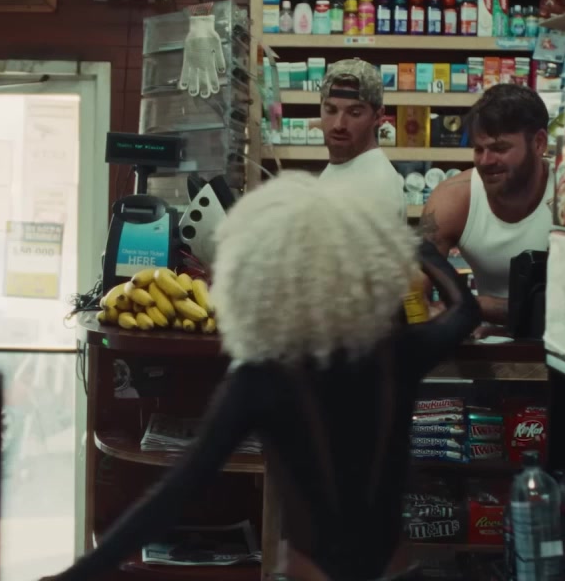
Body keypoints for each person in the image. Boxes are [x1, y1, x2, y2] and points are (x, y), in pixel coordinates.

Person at [43, 172, 481, 581]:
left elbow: (175, 493)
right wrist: (420, 251)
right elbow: (465, 311)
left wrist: (80, 573)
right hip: (395, 571)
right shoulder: (397, 352)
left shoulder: (262, 379)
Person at [418, 84, 552, 327]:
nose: (486, 161)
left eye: (500, 148)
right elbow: (413, 293)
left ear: (539, 143)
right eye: (479, 149)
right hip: (488, 344)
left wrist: (477, 306)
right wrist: (427, 319)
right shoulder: (453, 198)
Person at [316, 58, 406, 226]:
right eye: (330, 110)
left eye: (354, 113)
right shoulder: (347, 168)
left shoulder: (375, 188)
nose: (338, 124)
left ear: (378, 116)